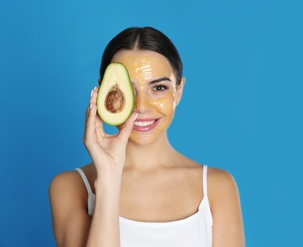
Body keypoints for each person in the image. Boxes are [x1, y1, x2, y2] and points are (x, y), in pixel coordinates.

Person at [49, 26, 245, 247]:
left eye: (159, 87)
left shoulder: (217, 187)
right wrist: (109, 176)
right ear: (104, 93)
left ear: (178, 92)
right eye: (126, 89)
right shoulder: (70, 187)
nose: (141, 106)